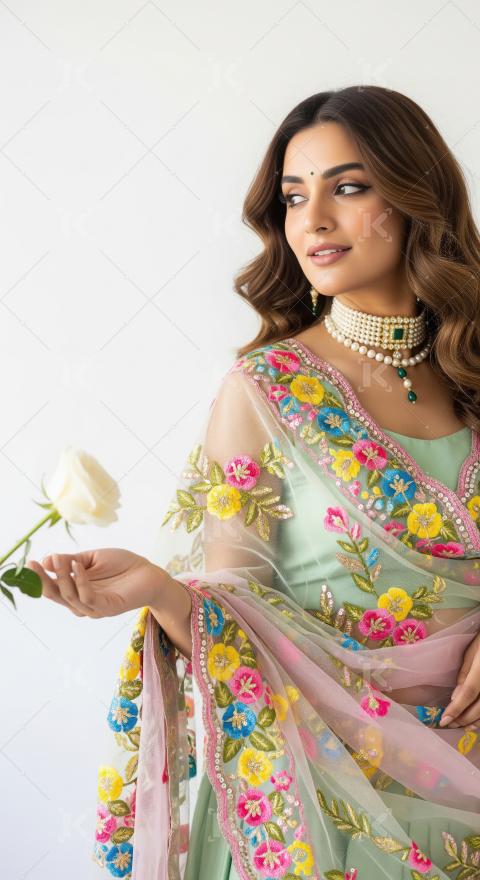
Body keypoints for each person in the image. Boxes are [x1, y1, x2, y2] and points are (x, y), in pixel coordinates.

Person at [27, 85, 480, 880]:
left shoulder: (472, 371)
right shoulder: (267, 390)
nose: (313, 221)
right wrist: (160, 591)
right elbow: (235, 604)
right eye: (294, 197)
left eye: (348, 187)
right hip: (334, 808)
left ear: (419, 195)